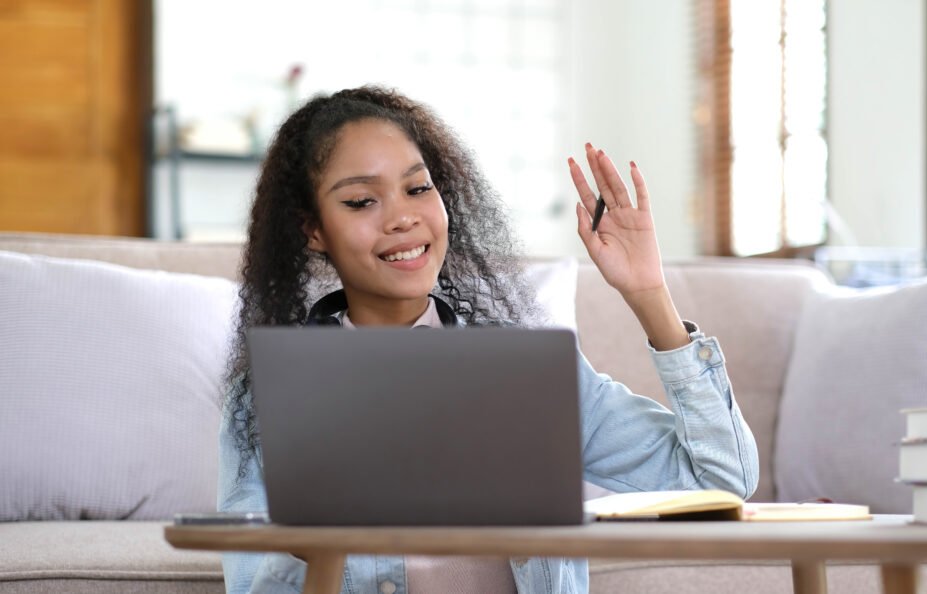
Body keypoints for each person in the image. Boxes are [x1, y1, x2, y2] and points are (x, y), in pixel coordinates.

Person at [218, 85, 758, 594]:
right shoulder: (269, 396)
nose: (403, 217)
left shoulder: (533, 377)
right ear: (313, 230)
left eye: (417, 187)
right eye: (362, 201)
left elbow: (718, 483)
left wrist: (648, 295)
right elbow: (252, 582)